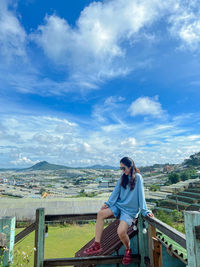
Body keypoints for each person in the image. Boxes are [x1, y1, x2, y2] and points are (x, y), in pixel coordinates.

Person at [83, 156, 154, 265]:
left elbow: (141, 196)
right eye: (121, 168)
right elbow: (115, 192)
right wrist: (107, 204)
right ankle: (97, 244)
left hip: (130, 211)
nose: (122, 170)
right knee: (101, 213)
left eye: (123, 168)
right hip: (119, 205)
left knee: (121, 232)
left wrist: (145, 211)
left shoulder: (138, 178)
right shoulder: (122, 177)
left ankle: (127, 249)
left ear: (130, 167)